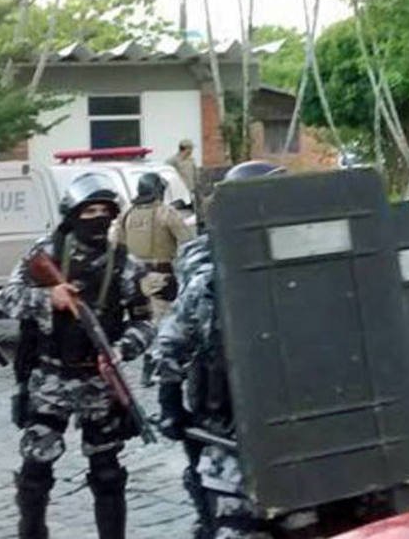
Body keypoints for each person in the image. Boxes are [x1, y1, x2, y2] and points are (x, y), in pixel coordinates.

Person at [156, 160, 332, 538]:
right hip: (231, 434)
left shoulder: (305, 255)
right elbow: (174, 339)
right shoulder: (211, 274)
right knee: (235, 526)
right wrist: (170, 403)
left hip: (302, 432)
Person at [0, 172, 154, 539]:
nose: (98, 218)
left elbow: (146, 323)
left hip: (99, 382)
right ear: (73, 214)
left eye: (105, 211)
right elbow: (8, 298)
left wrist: (121, 349)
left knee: (108, 473)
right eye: (90, 211)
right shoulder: (48, 252)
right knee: (36, 470)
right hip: (49, 379)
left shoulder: (124, 264)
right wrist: (47, 298)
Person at [113, 172, 194, 386]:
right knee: (164, 324)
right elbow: (188, 241)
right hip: (160, 275)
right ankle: (153, 369)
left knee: (144, 321)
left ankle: (149, 367)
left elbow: (115, 244)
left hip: (133, 278)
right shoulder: (165, 213)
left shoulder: (127, 213)